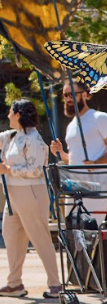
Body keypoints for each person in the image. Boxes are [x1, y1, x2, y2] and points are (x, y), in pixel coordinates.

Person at [0, 99, 61, 299]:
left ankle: (55, 284)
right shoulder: (11, 136)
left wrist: (9, 170)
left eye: (10, 112)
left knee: (39, 237)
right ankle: (14, 283)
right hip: (12, 194)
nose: (7, 116)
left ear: (18, 115)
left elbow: (36, 170)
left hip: (31, 192)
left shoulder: (34, 139)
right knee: (12, 237)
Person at [56, 81, 107, 221]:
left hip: (96, 187)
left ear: (85, 95)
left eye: (72, 94)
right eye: (65, 95)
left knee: (92, 230)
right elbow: (74, 159)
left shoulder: (99, 118)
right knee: (74, 230)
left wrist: (96, 163)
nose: (67, 99)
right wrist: (61, 153)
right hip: (74, 187)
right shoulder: (71, 126)